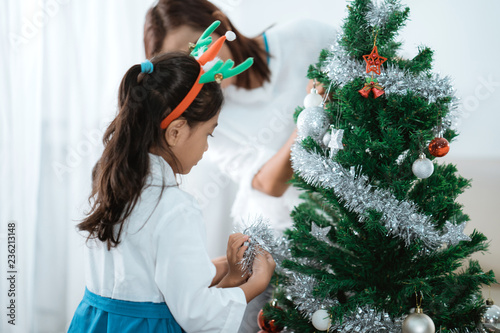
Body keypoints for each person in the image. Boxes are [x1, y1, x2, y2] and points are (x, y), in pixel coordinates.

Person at [144, 1, 336, 331]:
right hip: (278, 246)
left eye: (196, 48)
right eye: (182, 62)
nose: (199, 69)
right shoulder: (203, 120)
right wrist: (311, 117)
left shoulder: (306, 37)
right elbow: (269, 184)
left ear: (220, 24)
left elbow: (378, 74)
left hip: (350, 227)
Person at [68, 33, 275, 332]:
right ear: (176, 131)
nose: (206, 147)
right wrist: (256, 284)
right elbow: (198, 316)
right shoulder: (177, 208)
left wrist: (223, 269)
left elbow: (148, 276)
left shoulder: (111, 179)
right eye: (208, 133)